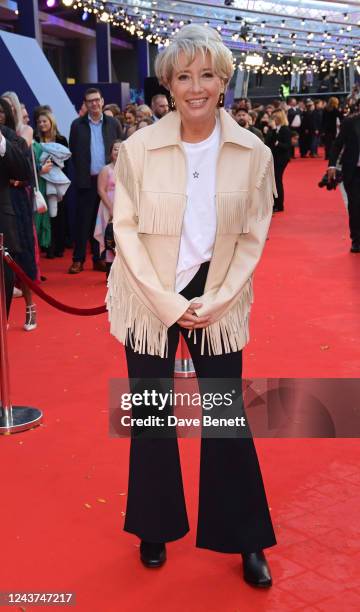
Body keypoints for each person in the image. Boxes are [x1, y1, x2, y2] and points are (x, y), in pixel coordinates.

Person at [106, 24, 276, 586]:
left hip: (218, 293)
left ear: (224, 81)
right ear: (169, 85)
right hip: (148, 290)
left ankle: (246, 538)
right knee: (153, 412)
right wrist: (164, 301)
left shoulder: (253, 152)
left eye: (207, 74)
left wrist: (219, 297)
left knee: (226, 415)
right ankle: (154, 525)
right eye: (184, 76)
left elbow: (254, 233)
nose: (196, 87)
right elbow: (125, 229)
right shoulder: (138, 149)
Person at [68, 87, 122, 274]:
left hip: (110, 182)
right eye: (90, 101)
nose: (94, 104)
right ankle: (78, 259)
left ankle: (100, 259)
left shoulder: (113, 123)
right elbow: (73, 151)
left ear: (102, 100)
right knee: (84, 222)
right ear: (85, 103)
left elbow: (119, 148)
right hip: (87, 180)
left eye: (97, 100)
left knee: (107, 222)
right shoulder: (77, 125)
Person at [0, 96, 38, 330]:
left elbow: (25, 171)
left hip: (11, 212)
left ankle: (29, 306)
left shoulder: (10, 137)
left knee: (20, 262)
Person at [0, 125, 30, 317]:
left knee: (4, 277)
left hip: (1, 222)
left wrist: (2, 143)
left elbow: (23, 171)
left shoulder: (6, 135)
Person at [36, 110, 71, 259]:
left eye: (45, 121)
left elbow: (67, 163)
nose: (42, 124)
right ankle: (48, 246)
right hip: (41, 180)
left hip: (57, 181)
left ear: (51, 122)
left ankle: (59, 246)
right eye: (39, 122)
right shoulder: (35, 140)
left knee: (58, 213)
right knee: (45, 214)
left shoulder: (61, 139)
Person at [328, 103, 360, 253]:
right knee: (354, 205)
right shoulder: (349, 122)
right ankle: (356, 240)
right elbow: (337, 144)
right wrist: (332, 165)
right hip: (353, 171)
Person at [94, 139, 121, 278]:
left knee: (122, 239)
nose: (118, 151)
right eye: (115, 149)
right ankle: (110, 273)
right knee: (110, 238)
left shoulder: (128, 169)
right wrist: (111, 208)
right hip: (108, 206)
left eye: (121, 148)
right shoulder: (106, 169)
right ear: (111, 152)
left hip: (124, 208)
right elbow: (101, 190)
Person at [266, 109, 292, 213]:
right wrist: (272, 130)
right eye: (272, 118)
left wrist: (277, 143)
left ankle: (279, 204)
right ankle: (275, 203)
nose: (273, 120)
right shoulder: (273, 129)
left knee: (277, 180)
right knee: (274, 180)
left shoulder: (285, 129)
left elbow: (287, 145)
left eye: (275, 118)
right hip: (274, 157)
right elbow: (268, 141)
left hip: (282, 158)